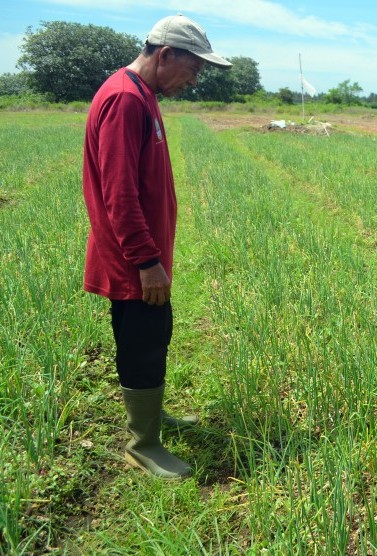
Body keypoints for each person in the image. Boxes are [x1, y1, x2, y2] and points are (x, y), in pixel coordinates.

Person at [82, 14, 231, 479]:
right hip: (132, 262)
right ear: (166, 55)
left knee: (150, 338)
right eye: (195, 68)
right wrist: (147, 261)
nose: (195, 79)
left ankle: (152, 418)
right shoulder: (126, 99)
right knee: (143, 344)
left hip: (138, 257)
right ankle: (143, 444)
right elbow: (119, 194)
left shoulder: (142, 94)